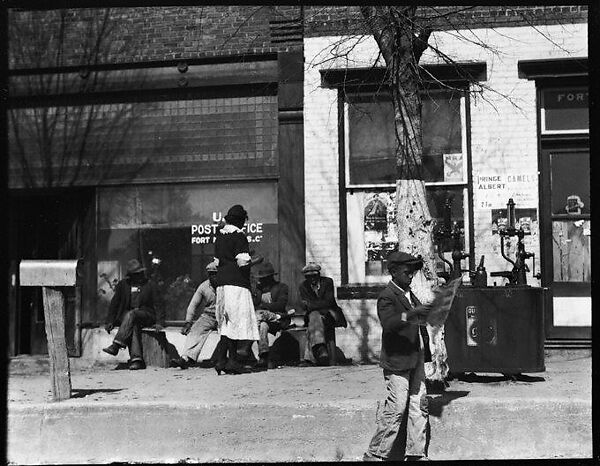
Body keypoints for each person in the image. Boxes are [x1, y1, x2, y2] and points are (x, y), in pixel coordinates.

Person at [363, 251, 432, 462]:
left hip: (416, 356)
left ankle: (415, 454)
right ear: (393, 272)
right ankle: (375, 454)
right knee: (396, 409)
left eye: (412, 272)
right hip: (398, 360)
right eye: (406, 271)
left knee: (419, 405)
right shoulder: (387, 296)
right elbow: (389, 323)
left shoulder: (410, 294)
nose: (411, 275)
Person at [212, 204, 260, 375]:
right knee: (237, 321)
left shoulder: (220, 237)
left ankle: (221, 360)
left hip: (222, 285)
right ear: (240, 221)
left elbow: (216, 263)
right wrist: (255, 261)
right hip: (237, 285)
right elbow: (242, 262)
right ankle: (232, 361)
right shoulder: (239, 236)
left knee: (226, 323)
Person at [102, 258, 165, 370]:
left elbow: (159, 304)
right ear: (131, 275)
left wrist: (160, 322)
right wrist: (109, 321)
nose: (140, 275)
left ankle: (116, 345)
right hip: (128, 318)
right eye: (137, 274)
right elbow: (114, 304)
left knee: (132, 315)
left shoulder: (149, 285)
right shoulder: (123, 285)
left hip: (146, 314)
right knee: (133, 325)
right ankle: (136, 360)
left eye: (141, 273)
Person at [170, 261, 219, 370]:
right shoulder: (203, 286)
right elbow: (193, 305)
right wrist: (188, 322)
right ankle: (186, 358)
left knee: (227, 334)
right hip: (209, 316)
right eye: (211, 274)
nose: (213, 276)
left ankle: (219, 359)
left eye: (215, 273)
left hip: (224, 316)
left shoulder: (226, 285)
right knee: (195, 330)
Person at [298, 262, 347, 366]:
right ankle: (320, 348)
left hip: (330, 314)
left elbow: (329, 302)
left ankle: (319, 349)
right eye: (309, 277)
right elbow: (306, 305)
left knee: (314, 316)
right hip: (314, 315)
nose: (312, 279)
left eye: (314, 276)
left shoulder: (328, 282)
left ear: (318, 275)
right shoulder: (303, 286)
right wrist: (316, 305)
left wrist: (313, 305)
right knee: (314, 315)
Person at [252, 261, 291, 369]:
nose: (261, 281)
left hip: (278, 319)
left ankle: (246, 348)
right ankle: (264, 354)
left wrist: (264, 307)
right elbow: (254, 304)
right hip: (262, 320)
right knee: (263, 325)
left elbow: (280, 305)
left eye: (264, 278)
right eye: (260, 278)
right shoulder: (259, 290)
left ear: (270, 278)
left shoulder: (282, 287)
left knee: (259, 317)